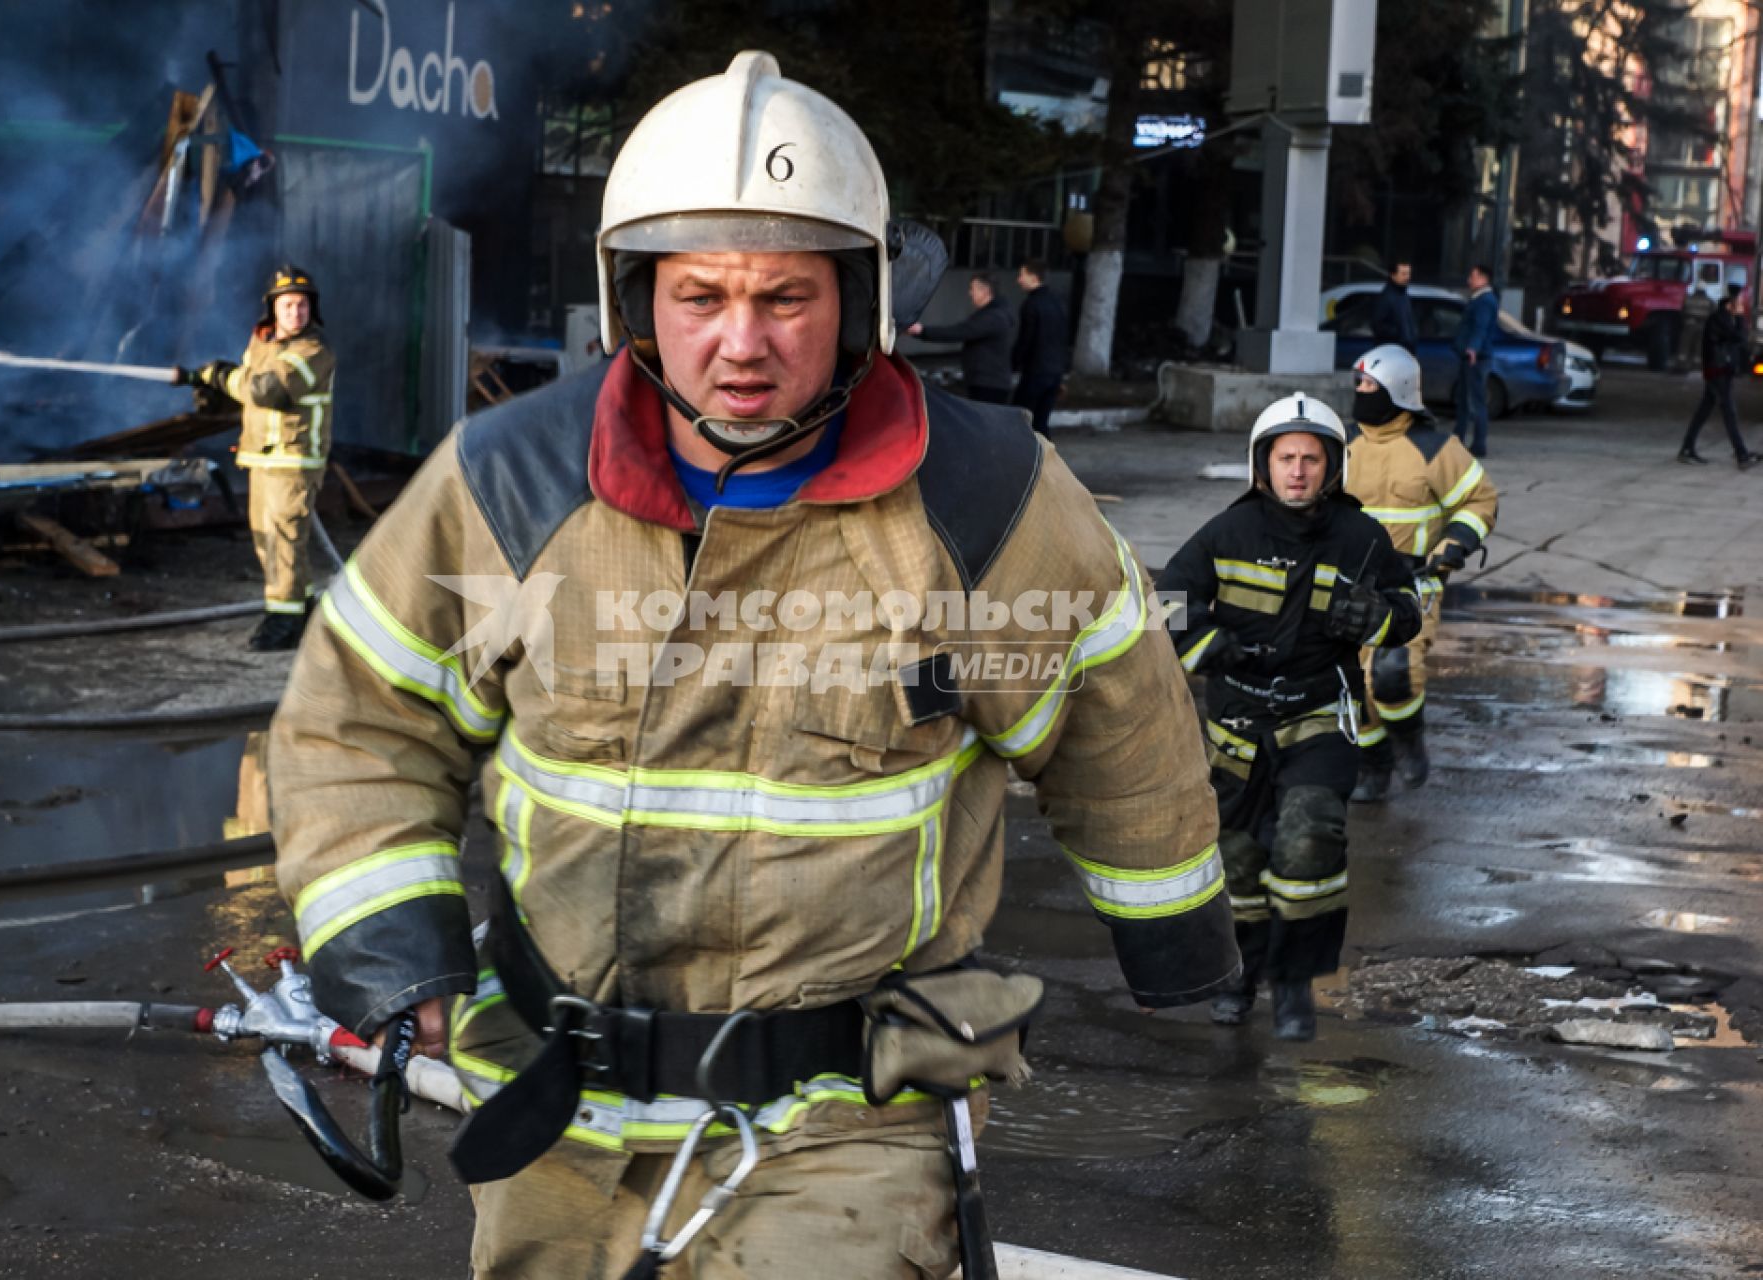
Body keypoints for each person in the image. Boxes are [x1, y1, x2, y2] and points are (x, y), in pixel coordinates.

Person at [267, 52, 1237, 1279]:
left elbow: (1116, 712)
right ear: (634, 299)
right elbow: (363, 716)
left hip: (848, 1120)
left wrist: (1174, 931)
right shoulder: (508, 485)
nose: (739, 341)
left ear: (861, 300)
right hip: (558, 1109)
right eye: (700, 295)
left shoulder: (984, 500)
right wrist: (391, 944)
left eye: (783, 296)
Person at [1157, 393, 1423, 1040]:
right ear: (1262, 465)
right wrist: (1204, 646)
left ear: (1330, 467)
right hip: (1236, 725)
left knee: (1309, 835)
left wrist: (1378, 618)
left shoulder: (1359, 538)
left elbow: (1407, 610)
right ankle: (1241, 975)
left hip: (1317, 715)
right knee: (1238, 862)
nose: (1297, 471)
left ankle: (1295, 985)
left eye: (1309, 458)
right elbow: (1163, 600)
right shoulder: (1225, 533)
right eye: (1284, 458)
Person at [1344, 344, 1500, 803]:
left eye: (1369, 385)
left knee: (1393, 674)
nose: (1360, 392)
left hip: (1413, 582)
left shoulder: (1435, 448)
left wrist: (1455, 544)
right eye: (1359, 384)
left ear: (1396, 390)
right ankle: (1373, 766)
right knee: (1352, 686)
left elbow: (1480, 501)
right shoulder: (1341, 443)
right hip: (1350, 584)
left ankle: (1409, 739)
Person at [176, 266, 335, 651]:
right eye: (288, 305)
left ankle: (282, 624)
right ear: (273, 310)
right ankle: (301, 609)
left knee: (283, 541)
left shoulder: (314, 351)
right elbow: (246, 384)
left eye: (301, 306)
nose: (295, 313)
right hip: (261, 459)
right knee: (271, 543)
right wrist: (209, 386)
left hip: (293, 462)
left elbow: (267, 392)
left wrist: (217, 377)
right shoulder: (261, 343)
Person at [1678, 289, 1761, 470]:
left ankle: (1687, 448)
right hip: (1718, 371)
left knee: (1704, 410)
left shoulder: (1724, 319)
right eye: (1737, 304)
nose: (1740, 307)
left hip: (1721, 371)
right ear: (1728, 305)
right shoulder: (1719, 320)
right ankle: (1741, 454)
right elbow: (1738, 337)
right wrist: (1739, 318)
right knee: (1729, 412)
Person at [908, 273, 1016, 403]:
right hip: (987, 381)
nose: (970, 293)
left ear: (985, 291)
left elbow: (959, 332)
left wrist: (921, 331)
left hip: (989, 384)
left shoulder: (993, 317)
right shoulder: (994, 314)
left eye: (973, 289)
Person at [1011, 258, 1069, 437]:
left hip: (1035, 370)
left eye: (1022, 275)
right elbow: (1062, 337)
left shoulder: (1032, 304)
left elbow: (1026, 339)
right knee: (1042, 422)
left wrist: (1014, 363)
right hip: (1054, 371)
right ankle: (1046, 459)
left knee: (1020, 418)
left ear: (1033, 277)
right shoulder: (1057, 302)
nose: (1018, 280)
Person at [1453, 263, 1498, 458]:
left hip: (1476, 359)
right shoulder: (1479, 299)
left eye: (1473, 276)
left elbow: (1480, 327)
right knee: (1464, 399)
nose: (1469, 280)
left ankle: (1478, 444)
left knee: (1475, 401)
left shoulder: (1484, 301)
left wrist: (1473, 349)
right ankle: (1458, 438)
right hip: (1471, 357)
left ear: (1483, 278)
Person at [1370, 260, 1417, 354]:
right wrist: (1399, 333)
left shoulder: (1403, 295)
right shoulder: (1387, 297)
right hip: (1391, 351)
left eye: (1408, 273)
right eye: (1403, 274)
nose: (1407, 277)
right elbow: (1378, 325)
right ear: (1393, 275)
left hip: (1405, 350)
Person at [1678, 284, 1715, 374]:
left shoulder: (1688, 299)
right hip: (1703, 326)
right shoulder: (1709, 301)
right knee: (1699, 345)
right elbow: (1713, 314)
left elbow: (1682, 311)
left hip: (1689, 324)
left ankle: (1682, 364)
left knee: (1685, 344)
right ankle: (1697, 364)